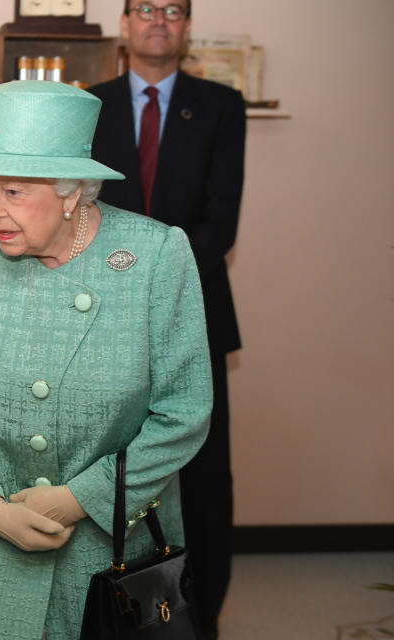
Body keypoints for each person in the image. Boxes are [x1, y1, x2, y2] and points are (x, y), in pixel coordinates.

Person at [0, 80, 212, 639]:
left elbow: (184, 411)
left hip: (114, 550)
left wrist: (81, 499)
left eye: (13, 192)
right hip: (2, 545)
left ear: (72, 191)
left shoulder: (156, 255)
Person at [88, 2, 246, 636]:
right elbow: (81, 211)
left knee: (203, 477)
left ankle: (197, 616)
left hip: (197, 312)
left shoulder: (220, 104)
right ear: (125, 25)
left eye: (173, 9)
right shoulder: (90, 103)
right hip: (101, 314)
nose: (159, 19)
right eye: (144, 8)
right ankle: (113, 613)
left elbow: (220, 222)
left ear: (186, 26)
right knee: (111, 464)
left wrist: (155, 285)